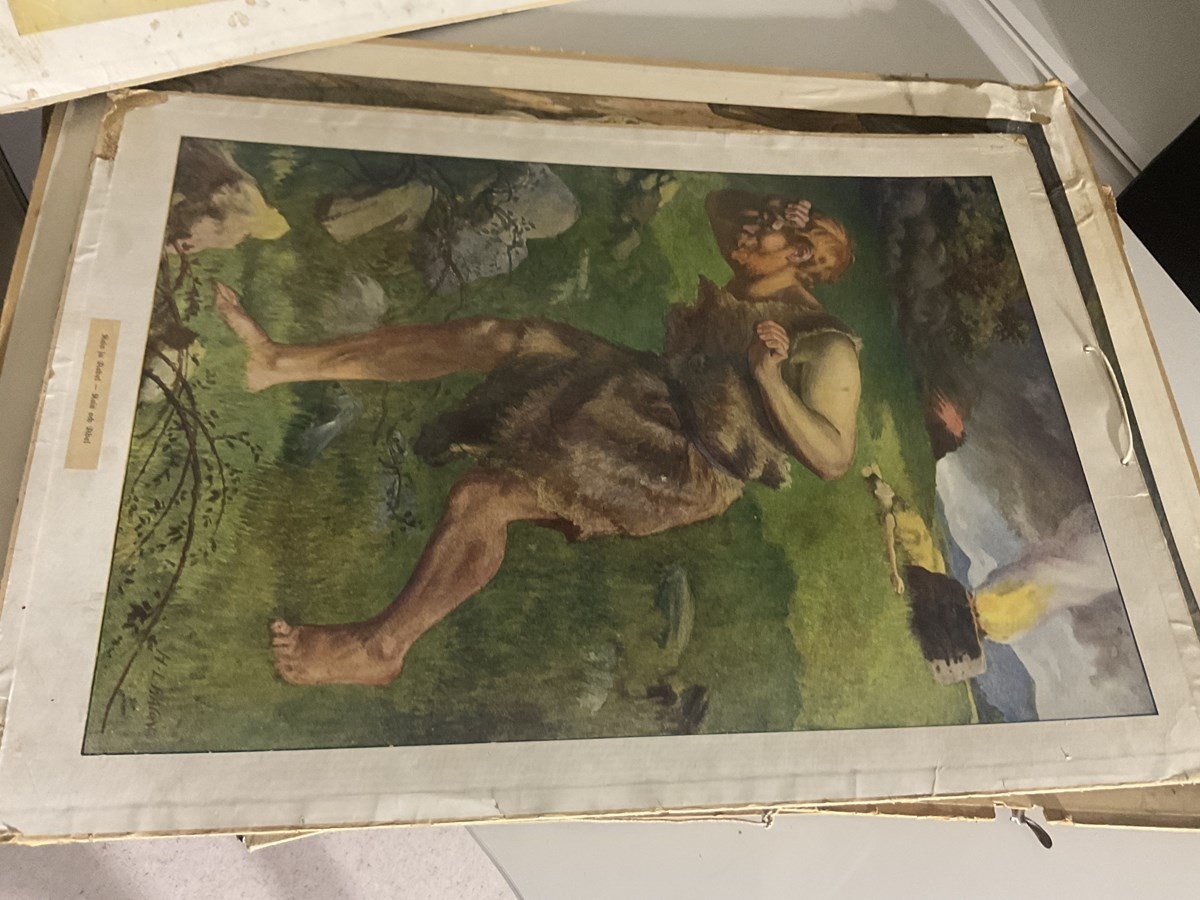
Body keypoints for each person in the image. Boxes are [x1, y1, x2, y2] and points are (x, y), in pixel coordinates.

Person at [214, 188, 860, 685]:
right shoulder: (761, 264)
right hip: (643, 389)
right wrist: (780, 212)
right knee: (493, 337)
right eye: (756, 224)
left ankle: (382, 648)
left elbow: (833, 458)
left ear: (800, 258)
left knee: (485, 496)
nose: (742, 234)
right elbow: (720, 203)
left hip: (681, 460)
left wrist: (768, 381)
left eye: (761, 231)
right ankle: (278, 362)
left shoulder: (825, 346)